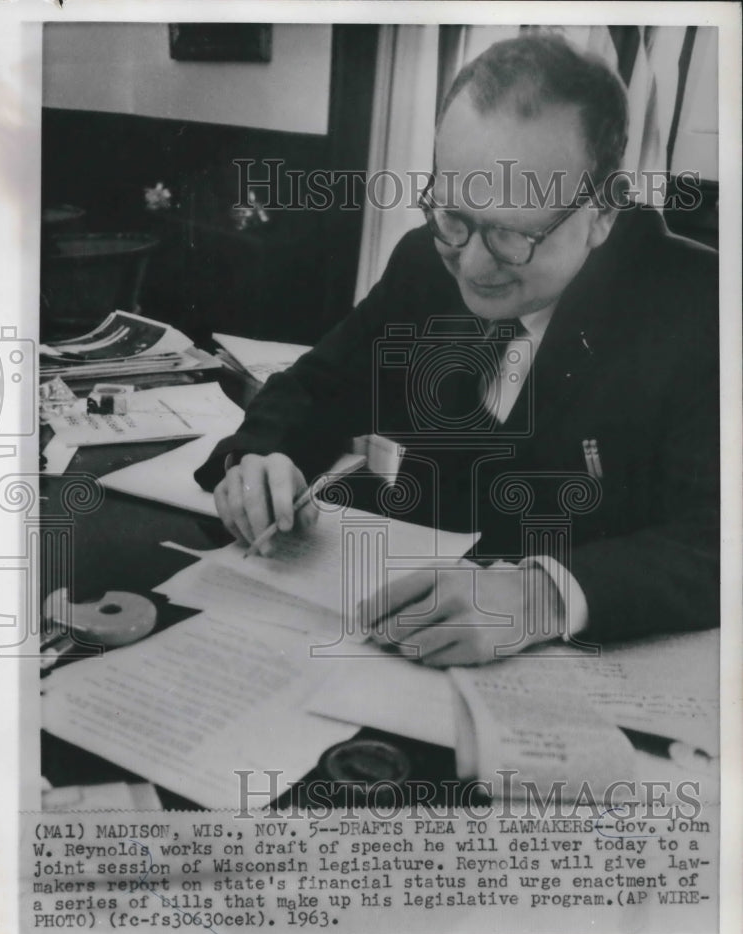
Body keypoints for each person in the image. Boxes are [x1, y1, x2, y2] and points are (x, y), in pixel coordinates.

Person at [194, 33, 719, 666]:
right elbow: (319, 385)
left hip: (575, 675)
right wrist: (256, 463)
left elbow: (718, 543)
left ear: (603, 212)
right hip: (380, 649)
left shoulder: (701, 308)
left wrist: (541, 597)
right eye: (452, 213)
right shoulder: (424, 261)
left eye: (509, 234)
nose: (470, 264)